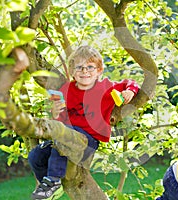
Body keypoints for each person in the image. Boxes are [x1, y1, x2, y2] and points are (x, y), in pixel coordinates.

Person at [28, 45, 140, 200]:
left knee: (64, 137)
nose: (85, 71)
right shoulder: (67, 90)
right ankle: (50, 184)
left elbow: (131, 82)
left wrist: (129, 91)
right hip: (66, 138)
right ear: (72, 71)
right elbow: (60, 121)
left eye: (90, 67)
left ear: (99, 70)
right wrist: (55, 113)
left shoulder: (106, 87)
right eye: (79, 67)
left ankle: (53, 179)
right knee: (36, 155)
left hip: (88, 142)